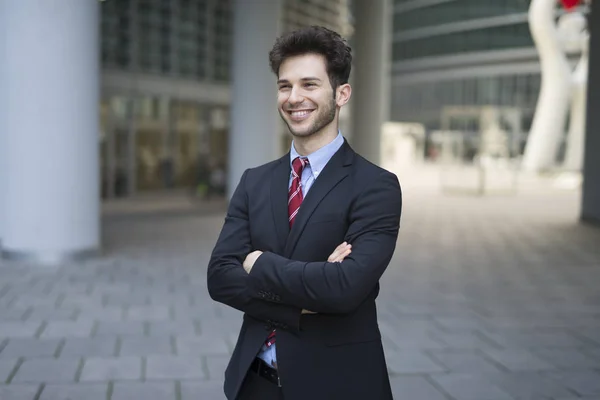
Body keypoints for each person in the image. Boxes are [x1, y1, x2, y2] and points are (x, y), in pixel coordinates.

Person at [207, 25, 402, 400]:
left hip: (337, 384)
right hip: (254, 381)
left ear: (341, 93)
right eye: (285, 86)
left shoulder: (376, 186)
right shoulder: (255, 181)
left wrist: (258, 262)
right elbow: (219, 277)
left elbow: (345, 290)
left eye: (309, 84)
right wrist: (304, 304)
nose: (294, 97)